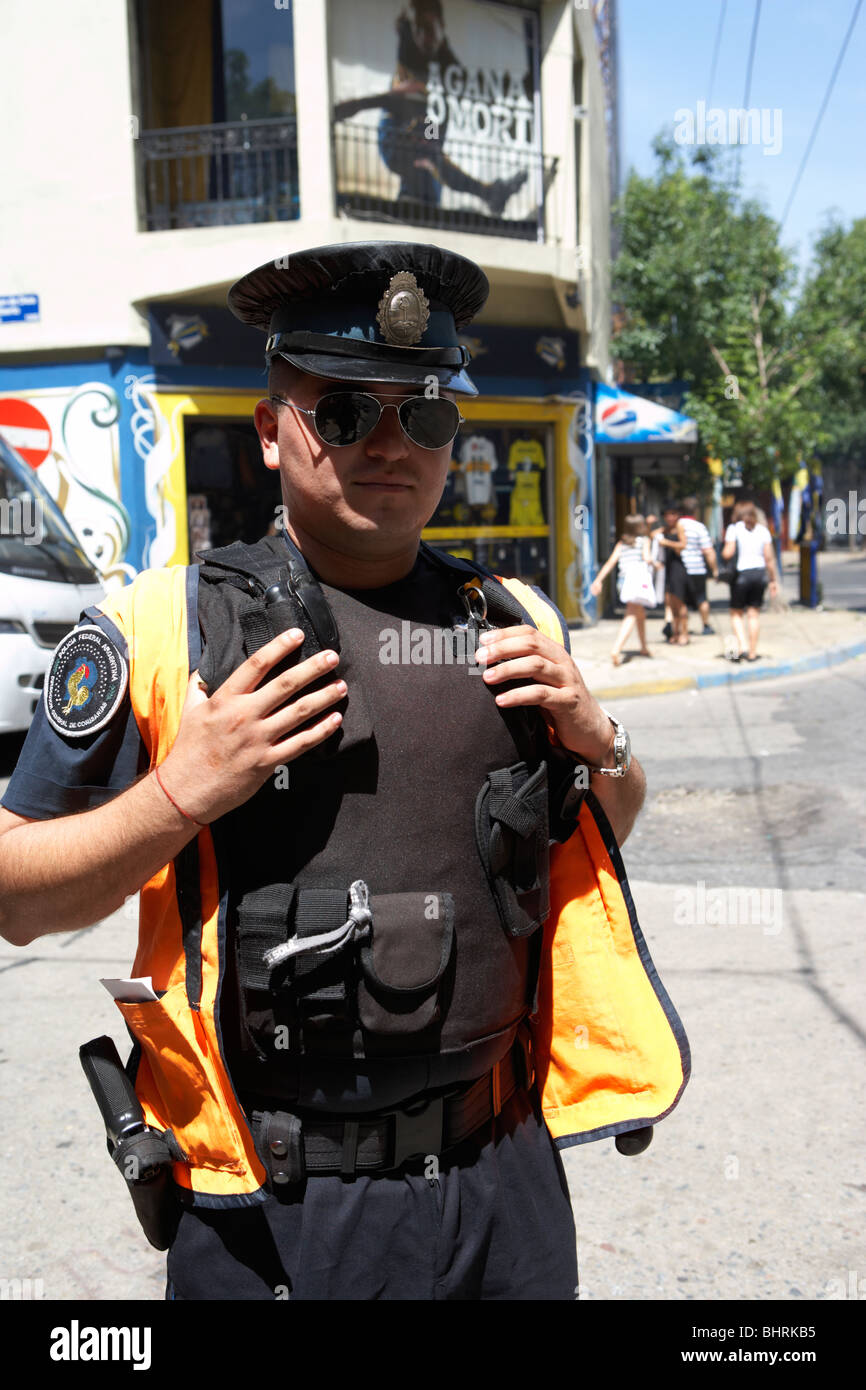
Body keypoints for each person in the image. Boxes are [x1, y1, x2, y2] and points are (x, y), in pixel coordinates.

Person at [0, 241, 689, 1301]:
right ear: (272, 431)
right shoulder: (161, 626)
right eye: (342, 411)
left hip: (501, 1187)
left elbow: (590, 839)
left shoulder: (510, 621)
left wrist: (604, 741)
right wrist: (183, 792)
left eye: (421, 414)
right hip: (278, 1214)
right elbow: (15, 897)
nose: (387, 443)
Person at [334, 0, 527, 216]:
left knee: (433, 142)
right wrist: (349, 107)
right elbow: (387, 98)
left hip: (420, 129)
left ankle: (484, 193)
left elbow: (460, 80)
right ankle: (487, 192)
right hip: (397, 138)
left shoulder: (441, 56)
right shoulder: (409, 59)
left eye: (433, 30)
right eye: (423, 30)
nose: (428, 37)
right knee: (427, 132)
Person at [590, 514, 655, 666]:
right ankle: (616, 649)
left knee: (640, 613)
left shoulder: (622, 543)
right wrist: (654, 563)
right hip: (637, 581)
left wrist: (598, 580)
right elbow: (647, 558)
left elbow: (610, 563)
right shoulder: (644, 541)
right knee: (632, 614)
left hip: (624, 583)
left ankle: (644, 647)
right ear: (640, 527)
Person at [722, 500, 779, 662]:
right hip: (760, 575)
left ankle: (742, 647)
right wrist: (773, 580)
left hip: (741, 576)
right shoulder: (763, 531)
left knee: (736, 613)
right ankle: (753, 653)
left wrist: (723, 552)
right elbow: (769, 559)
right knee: (754, 614)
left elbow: (728, 553)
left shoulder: (734, 529)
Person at [678, 495, 718, 635]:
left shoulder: (677, 526)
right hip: (697, 568)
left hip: (680, 568)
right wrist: (714, 569)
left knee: (681, 599)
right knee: (702, 598)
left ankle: (683, 629)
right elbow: (708, 551)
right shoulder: (699, 527)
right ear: (695, 511)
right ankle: (706, 625)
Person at [653, 502, 689, 645]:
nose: (670, 517)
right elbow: (651, 535)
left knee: (680, 604)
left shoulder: (679, 527)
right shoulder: (666, 529)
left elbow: (683, 544)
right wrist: (650, 525)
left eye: (673, 514)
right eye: (667, 514)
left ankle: (684, 634)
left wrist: (667, 543)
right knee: (671, 605)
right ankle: (675, 632)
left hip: (678, 569)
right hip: (667, 569)